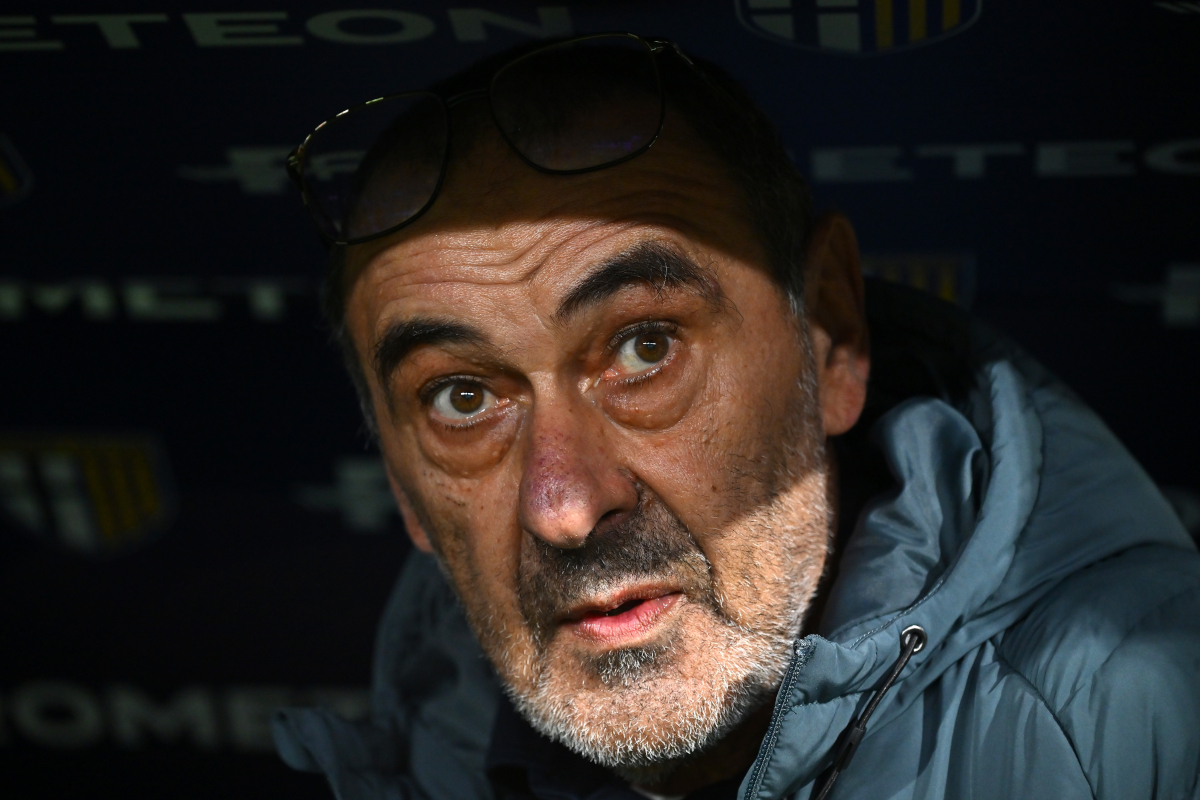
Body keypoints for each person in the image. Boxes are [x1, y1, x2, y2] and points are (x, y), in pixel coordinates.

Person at [272, 34, 1200, 800]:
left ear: (828, 337)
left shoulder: (1137, 725)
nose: (564, 505)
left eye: (644, 348)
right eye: (463, 397)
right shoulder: (440, 719)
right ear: (402, 485)